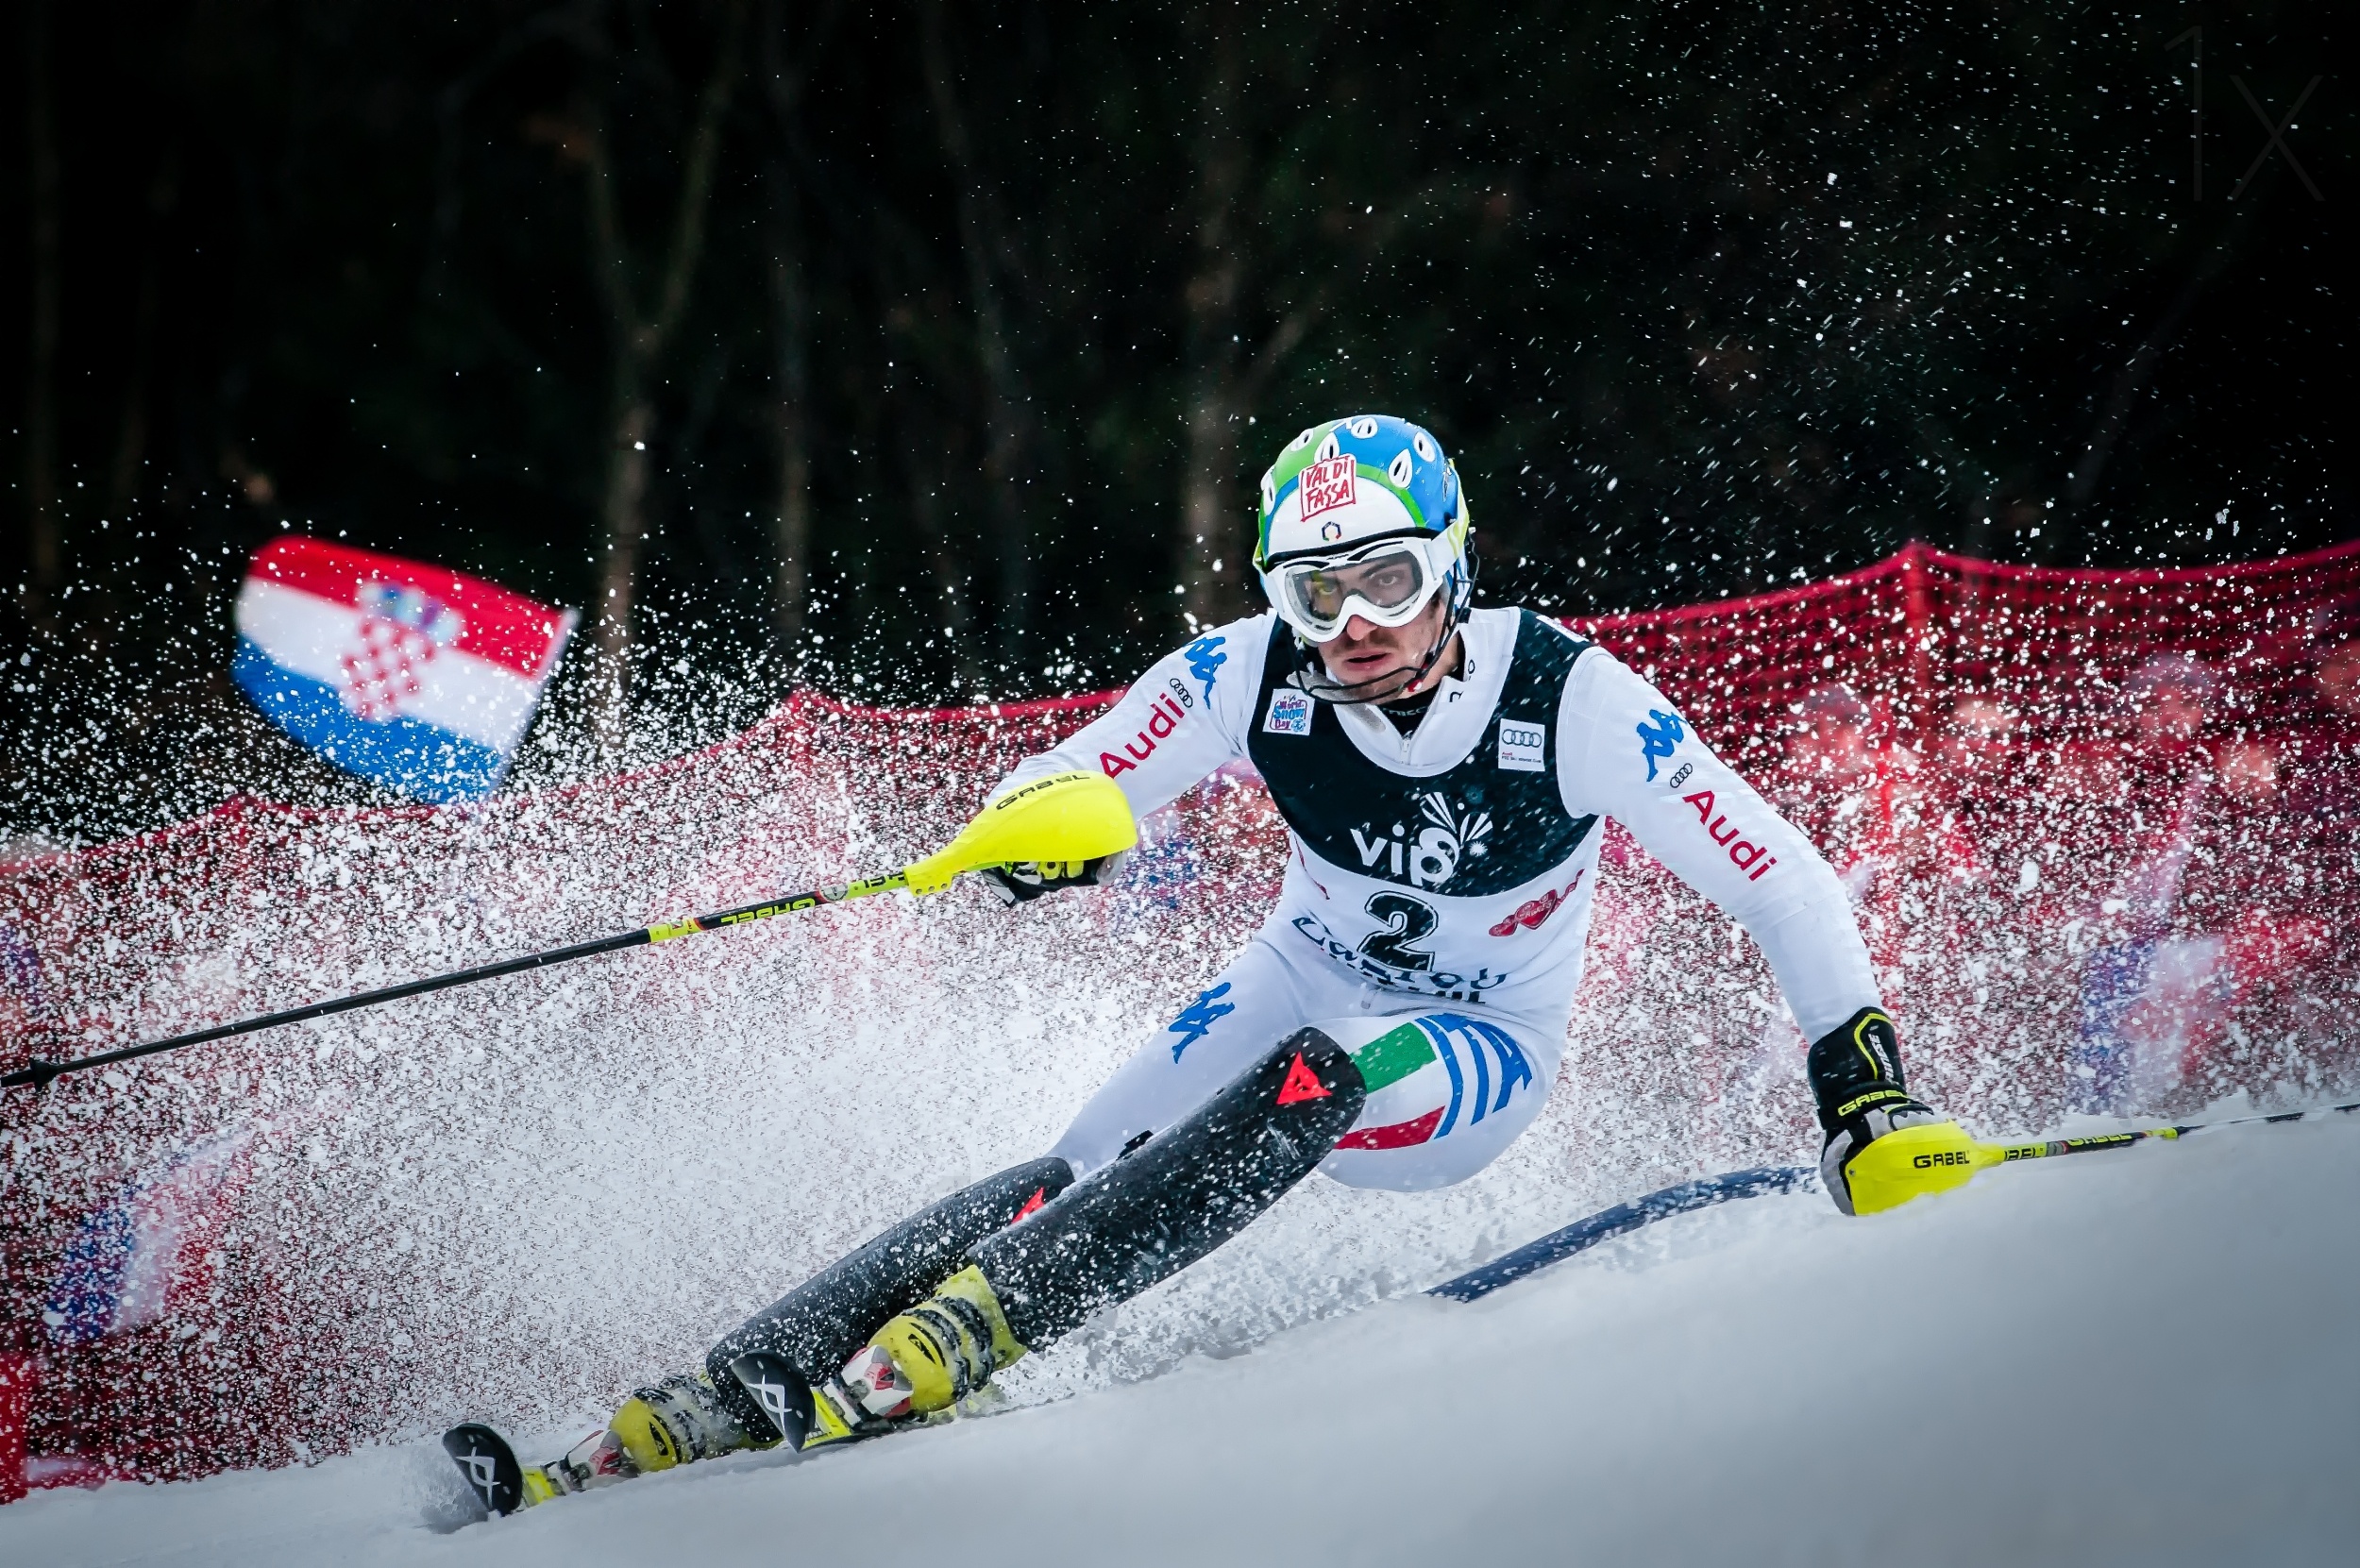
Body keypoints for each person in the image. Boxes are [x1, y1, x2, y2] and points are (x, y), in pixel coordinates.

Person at [447, 414, 1972, 1513]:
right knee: (1074, 1160)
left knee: (1327, 1071)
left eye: (1387, 580)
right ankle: (732, 1380)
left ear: (1454, 567)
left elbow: (1780, 873)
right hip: (1298, 972)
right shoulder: (1252, 674)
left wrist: (1865, 1093)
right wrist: (1034, 837)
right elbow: (1086, 769)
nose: (1354, 626)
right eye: (1316, 592)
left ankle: (980, 1330)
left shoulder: (1568, 698)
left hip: (1478, 1044)